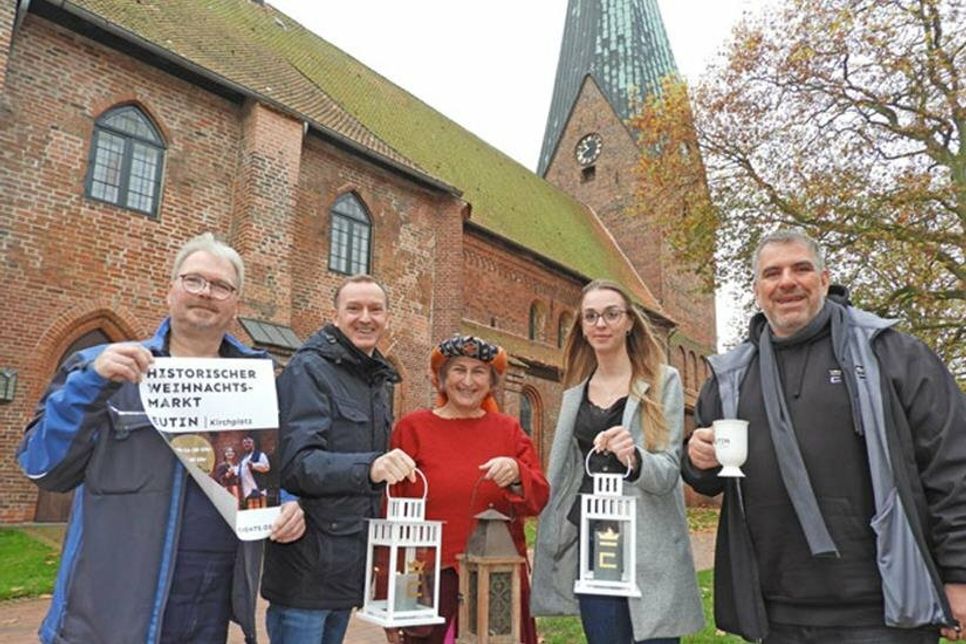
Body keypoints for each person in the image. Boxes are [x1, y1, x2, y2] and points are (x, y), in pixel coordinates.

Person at [16, 232, 305, 644]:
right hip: (109, 612)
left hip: (205, 609)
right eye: (194, 280)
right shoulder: (103, 369)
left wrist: (285, 504)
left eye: (221, 286)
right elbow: (43, 468)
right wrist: (90, 384)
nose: (206, 293)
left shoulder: (255, 381)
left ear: (236, 303)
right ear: (171, 289)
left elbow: (251, 473)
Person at [682, 229, 966, 643]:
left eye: (801, 268)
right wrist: (696, 459)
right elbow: (710, 476)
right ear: (757, 290)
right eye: (772, 273)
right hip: (778, 610)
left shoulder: (890, 353)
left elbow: (952, 464)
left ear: (825, 279)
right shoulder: (732, 378)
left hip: (881, 609)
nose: (787, 282)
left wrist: (958, 573)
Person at [531, 279, 704, 644]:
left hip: (648, 540)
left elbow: (669, 471)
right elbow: (565, 474)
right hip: (596, 542)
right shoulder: (574, 393)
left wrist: (634, 457)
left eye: (611, 314)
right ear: (581, 326)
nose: (601, 324)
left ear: (629, 322)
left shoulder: (661, 382)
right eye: (591, 316)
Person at [261, 274, 418, 644]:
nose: (365, 317)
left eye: (375, 309)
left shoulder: (373, 379)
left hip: (346, 564)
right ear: (336, 317)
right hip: (306, 568)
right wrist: (372, 467)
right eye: (354, 308)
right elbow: (296, 464)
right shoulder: (309, 370)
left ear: (386, 318)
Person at [388, 334, 550, 644]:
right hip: (430, 577)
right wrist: (390, 594)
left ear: (491, 382)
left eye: (479, 372)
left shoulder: (508, 430)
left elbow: (539, 497)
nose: (468, 380)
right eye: (458, 370)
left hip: (497, 578)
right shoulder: (413, 429)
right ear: (442, 378)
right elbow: (393, 511)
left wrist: (518, 474)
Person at [239, 435, 270, 509]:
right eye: (244, 443)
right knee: (252, 514)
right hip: (247, 491)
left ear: (253, 443)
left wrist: (253, 465)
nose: (246, 444)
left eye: (249, 442)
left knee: (261, 512)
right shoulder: (243, 458)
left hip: (258, 489)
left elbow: (266, 467)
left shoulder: (260, 455)